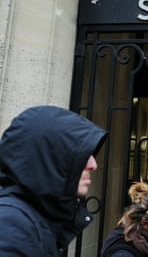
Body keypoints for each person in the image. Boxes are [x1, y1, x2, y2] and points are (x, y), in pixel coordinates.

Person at [0, 105, 107, 256]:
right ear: (49, 158)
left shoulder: (35, 220)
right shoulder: (12, 224)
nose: (93, 165)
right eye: (82, 155)